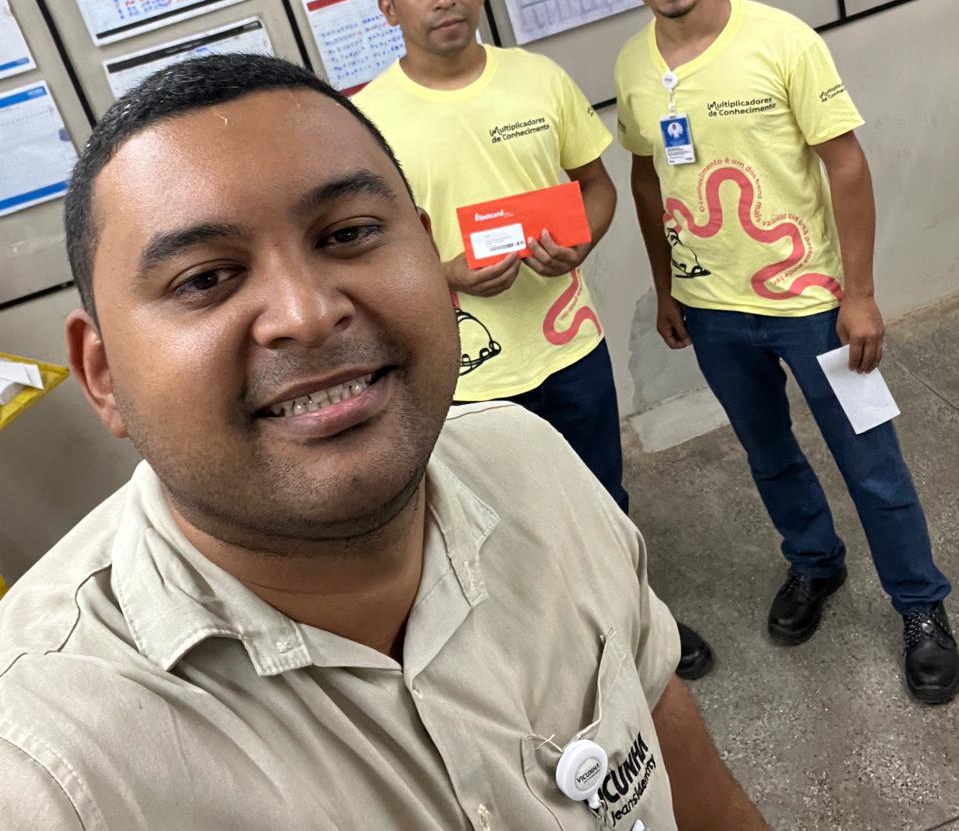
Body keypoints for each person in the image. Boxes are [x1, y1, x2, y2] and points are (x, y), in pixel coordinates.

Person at [0, 55, 768, 831]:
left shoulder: (529, 459)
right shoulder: (47, 773)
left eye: (349, 234)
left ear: (431, 261)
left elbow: (678, 758)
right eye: (204, 279)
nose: (306, 314)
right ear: (103, 375)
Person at [612, 0, 957, 705]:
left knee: (869, 459)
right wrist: (666, 288)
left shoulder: (781, 40)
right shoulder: (632, 66)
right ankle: (813, 562)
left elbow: (845, 165)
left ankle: (919, 605)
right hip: (712, 310)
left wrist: (858, 293)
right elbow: (646, 179)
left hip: (813, 305)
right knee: (766, 452)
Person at [358, 0, 712, 679]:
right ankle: (559, 655)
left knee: (601, 499)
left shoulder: (537, 79)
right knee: (500, 528)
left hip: (568, 345)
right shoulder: (366, 123)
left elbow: (595, 186)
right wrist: (443, 274)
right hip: (462, 375)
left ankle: (636, 623)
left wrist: (579, 240)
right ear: (388, 7)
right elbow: (361, 251)